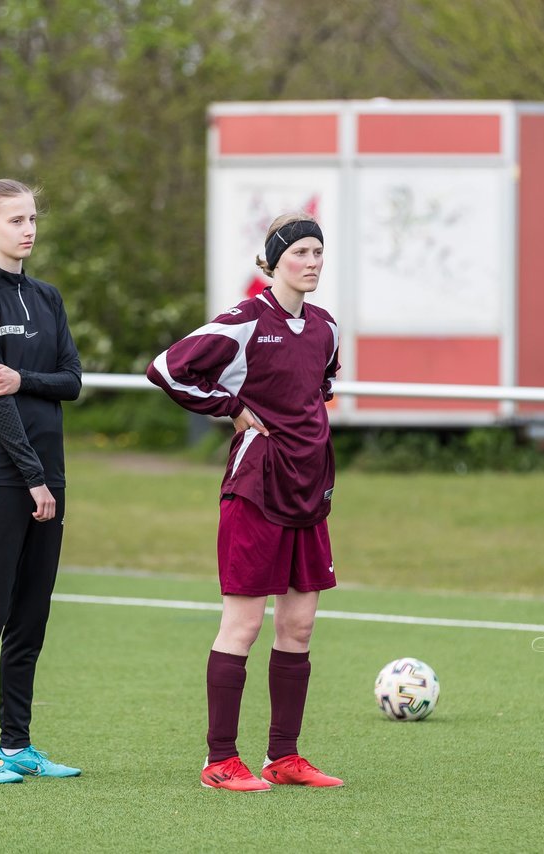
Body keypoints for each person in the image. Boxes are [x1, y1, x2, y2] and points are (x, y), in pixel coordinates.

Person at [147, 212, 345, 792]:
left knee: (301, 624)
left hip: (310, 489)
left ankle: (284, 757)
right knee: (244, 624)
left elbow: (321, 384)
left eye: (318, 252)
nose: (311, 262)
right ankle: (220, 761)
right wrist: (231, 410)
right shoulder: (244, 320)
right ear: (275, 259)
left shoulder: (326, 327)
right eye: (301, 252)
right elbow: (166, 369)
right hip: (256, 485)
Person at [0, 179, 83, 784]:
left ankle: (18, 744)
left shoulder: (47, 297)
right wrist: (31, 479)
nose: (28, 229)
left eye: (32, 218)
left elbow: (71, 380)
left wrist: (22, 377)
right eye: (16, 220)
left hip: (47, 479)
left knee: (30, 619)